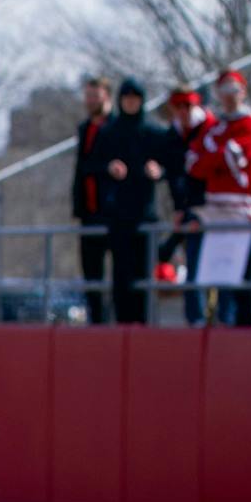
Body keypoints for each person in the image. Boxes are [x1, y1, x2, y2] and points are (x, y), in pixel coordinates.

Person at [189, 70, 251, 326]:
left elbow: (239, 156)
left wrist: (216, 155)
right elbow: (194, 163)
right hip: (215, 207)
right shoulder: (214, 126)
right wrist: (221, 155)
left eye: (234, 92)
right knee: (216, 269)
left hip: (241, 208)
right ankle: (219, 320)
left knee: (240, 271)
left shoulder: (250, 122)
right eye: (224, 92)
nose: (229, 98)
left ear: (243, 93)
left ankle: (244, 325)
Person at [94, 79, 170, 324]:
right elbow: (92, 166)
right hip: (119, 214)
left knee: (145, 273)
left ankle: (145, 323)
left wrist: (159, 171)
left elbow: (173, 164)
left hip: (145, 212)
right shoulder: (109, 132)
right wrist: (109, 168)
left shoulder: (154, 132)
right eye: (126, 98)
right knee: (121, 275)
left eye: (135, 98)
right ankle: (122, 323)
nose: (130, 102)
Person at [159, 88, 216, 325]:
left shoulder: (209, 129)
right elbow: (175, 175)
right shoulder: (173, 135)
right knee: (191, 265)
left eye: (187, 106)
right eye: (178, 107)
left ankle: (218, 317)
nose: (183, 112)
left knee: (211, 268)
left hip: (212, 207)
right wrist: (179, 209)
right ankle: (195, 319)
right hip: (187, 209)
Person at [71, 77, 114, 323]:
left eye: (95, 96)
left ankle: (116, 322)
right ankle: (96, 321)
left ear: (106, 96)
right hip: (88, 212)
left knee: (120, 275)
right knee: (91, 274)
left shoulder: (116, 127)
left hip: (112, 213)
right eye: (87, 96)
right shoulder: (85, 128)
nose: (90, 101)